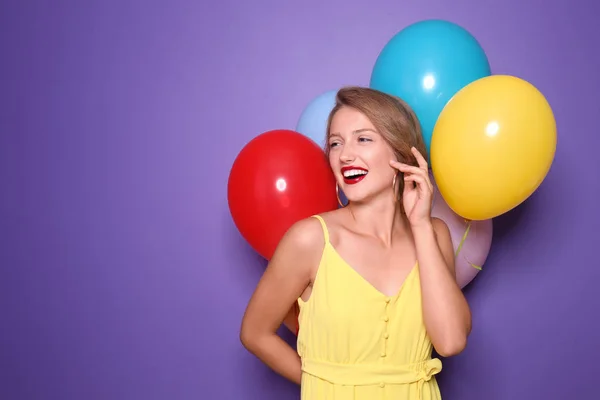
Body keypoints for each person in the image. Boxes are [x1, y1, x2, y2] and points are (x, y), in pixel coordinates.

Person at [240, 86, 472, 399]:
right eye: (336, 143)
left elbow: (451, 341)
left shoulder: (434, 234)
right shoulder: (310, 239)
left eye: (363, 139)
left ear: (401, 151)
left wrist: (420, 226)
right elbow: (255, 333)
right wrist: (323, 384)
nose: (345, 154)